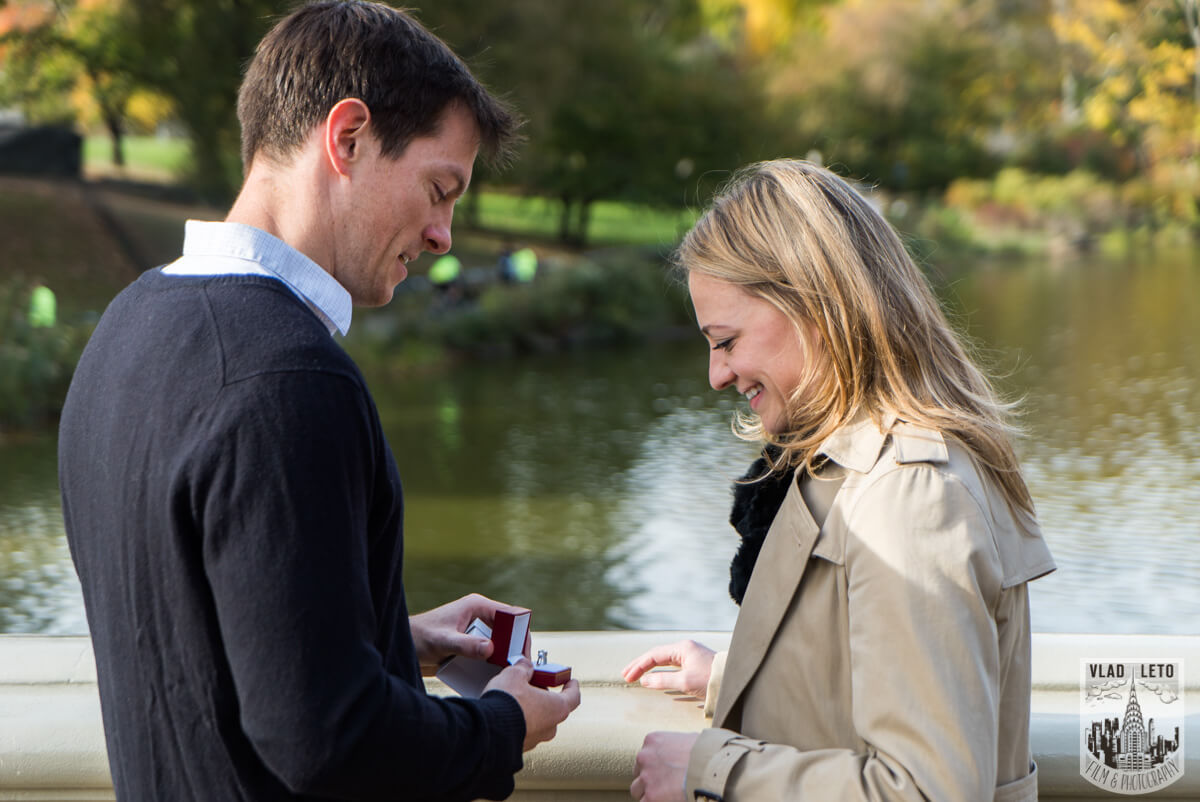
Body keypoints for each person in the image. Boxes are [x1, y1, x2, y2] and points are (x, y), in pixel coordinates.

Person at [57, 3, 579, 801]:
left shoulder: (127, 327)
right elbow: (329, 743)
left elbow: (191, 638)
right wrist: (502, 725)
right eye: (440, 190)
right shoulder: (290, 379)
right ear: (348, 137)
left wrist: (385, 637)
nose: (444, 235)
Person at [622, 159, 1055, 802]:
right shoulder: (857, 464)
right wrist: (733, 678)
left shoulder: (907, 496)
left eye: (726, 339)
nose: (717, 374)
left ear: (812, 306)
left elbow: (926, 789)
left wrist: (711, 770)